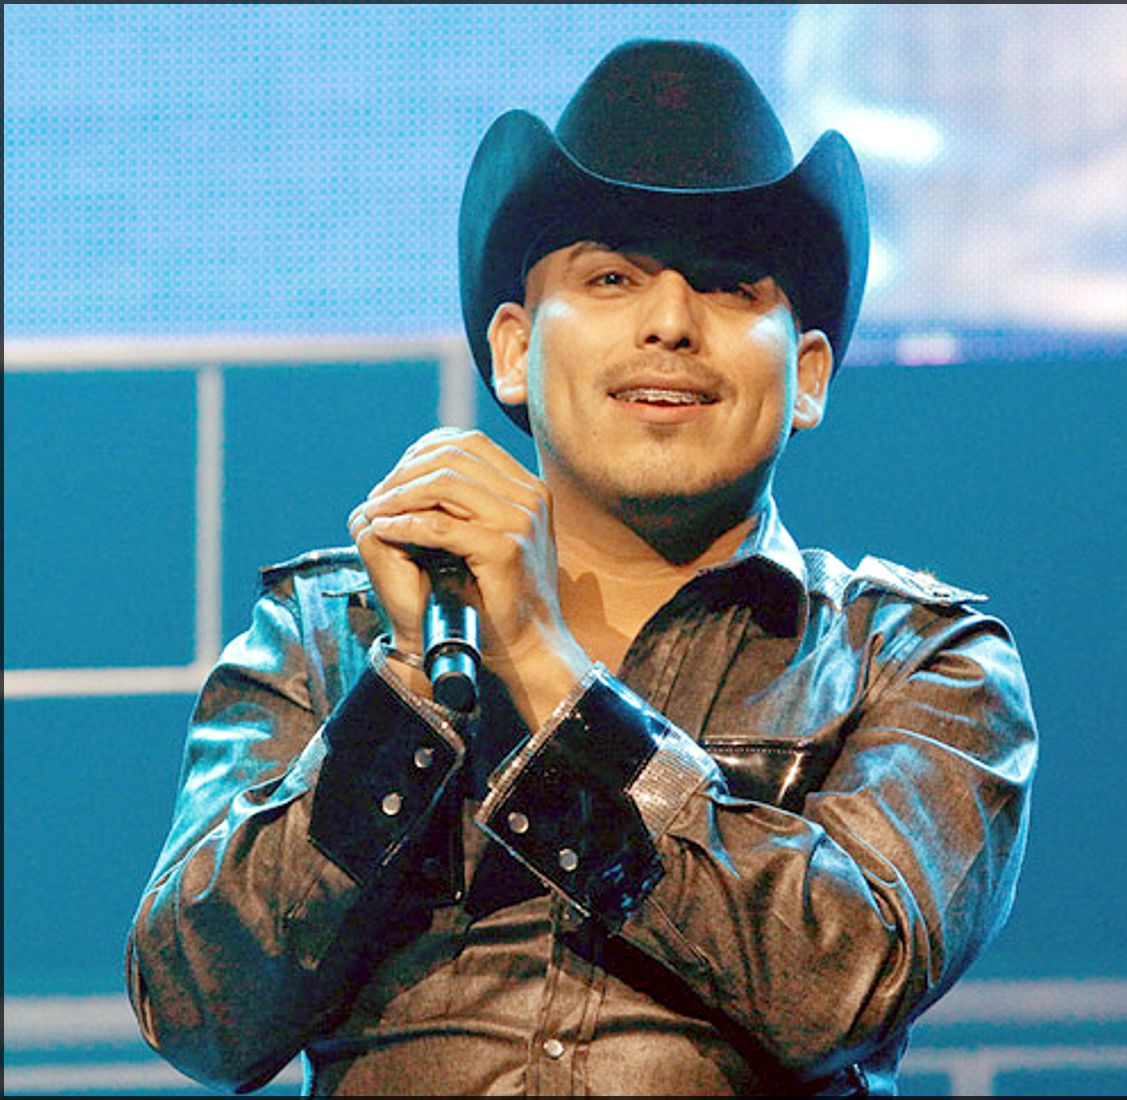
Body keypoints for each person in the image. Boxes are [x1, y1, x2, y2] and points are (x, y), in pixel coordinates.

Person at [126, 39, 1037, 1096]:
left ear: (809, 376)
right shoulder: (333, 629)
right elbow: (196, 1008)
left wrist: (544, 666)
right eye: (611, 278)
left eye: (728, 286)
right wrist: (408, 691)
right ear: (514, 350)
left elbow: (842, 981)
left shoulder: (921, 662)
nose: (670, 323)